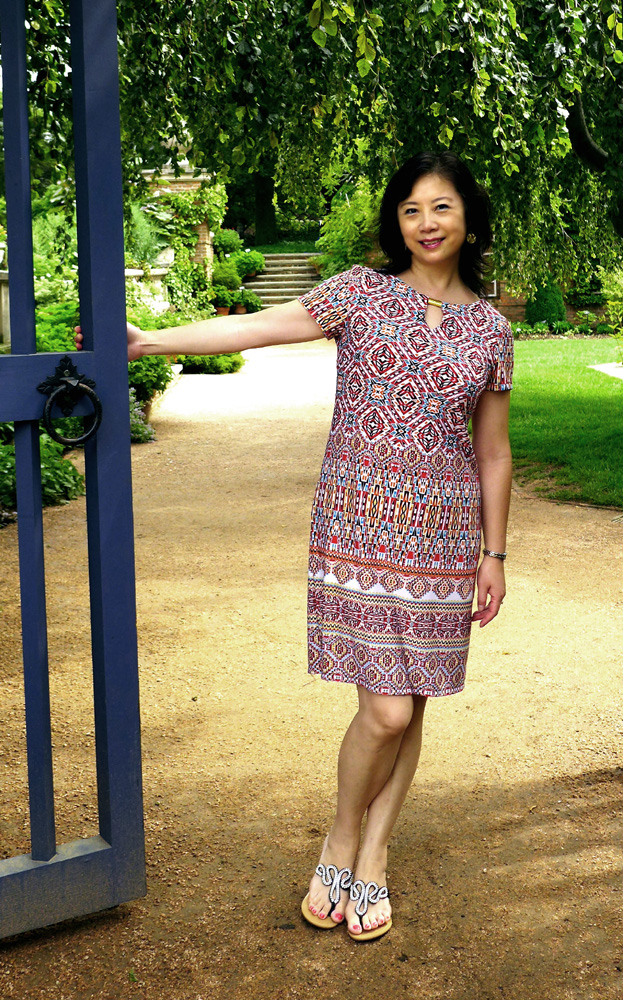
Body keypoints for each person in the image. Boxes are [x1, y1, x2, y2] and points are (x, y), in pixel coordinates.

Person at [76, 150, 513, 942]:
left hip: (444, 538)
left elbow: (492, 451)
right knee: (384, 709)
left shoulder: (491, 329)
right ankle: (341, 837)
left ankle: (373, 855)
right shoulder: (358, 294)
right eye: (411, 209)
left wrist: (494, 553)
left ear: (468, 220)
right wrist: (149, 342)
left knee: (411, 703)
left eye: (441, 207)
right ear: (396, 223)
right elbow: (257, 326)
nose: (425, 223)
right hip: (356, 524)